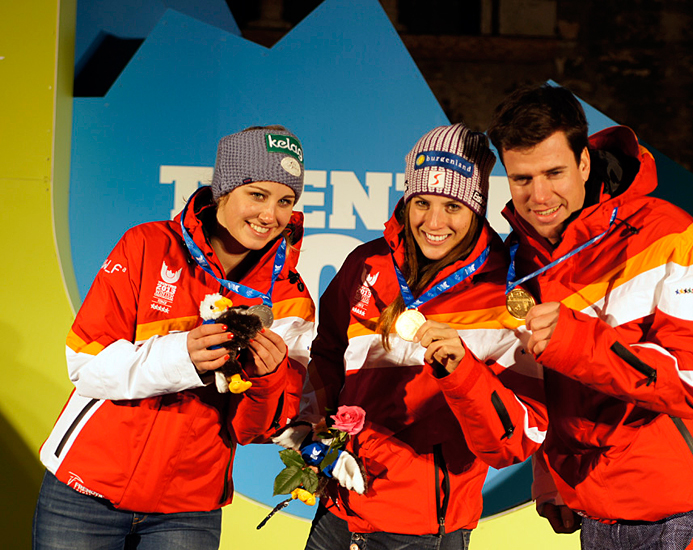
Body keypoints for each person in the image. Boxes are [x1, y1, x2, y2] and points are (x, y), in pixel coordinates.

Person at [486, 84, 693, 550]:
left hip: (685, 501)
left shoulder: (670, 235)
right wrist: (552, 477)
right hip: (598, 505)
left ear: (585, 163)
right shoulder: (520, 263)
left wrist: (577, 340)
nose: (539, 195)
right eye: (522, 179)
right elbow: (547, 389)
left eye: (554, 173)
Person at [32, 126, 315, 548]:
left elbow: (255, 431)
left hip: (187, 508)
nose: (270, 215)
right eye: (257, 194)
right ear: (224, 190)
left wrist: (267, 378)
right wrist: (183, 355)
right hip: (85, 490)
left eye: (285, 201)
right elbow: (87, 365)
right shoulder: (146, 245)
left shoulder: (289, 296)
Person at [298, 123, 548, 549]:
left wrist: (463, 371)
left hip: (421, 530)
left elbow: (517, 438)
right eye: (422, 202)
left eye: (453, 205)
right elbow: (325, 359)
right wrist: (312, 434)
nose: (434, 222)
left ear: (477, 207)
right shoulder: (366, 264)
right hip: (339, 511)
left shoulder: (508, 292)